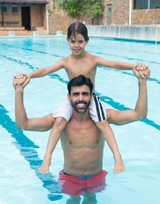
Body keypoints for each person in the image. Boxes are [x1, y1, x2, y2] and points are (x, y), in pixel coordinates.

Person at [13, 68, 149, 204]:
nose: (80, 98)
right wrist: (19, 91)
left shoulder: (104, 117)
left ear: (92, 96)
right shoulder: (59, 120)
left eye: (85, 94)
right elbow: (22, 124)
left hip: (96, 174)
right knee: (73, 202)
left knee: (91, 199)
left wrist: (142, 82)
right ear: (69, 97)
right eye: (76, 94)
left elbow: (140, 114)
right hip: (71, 177)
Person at [14, 22, 148, 175]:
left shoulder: (93, 59)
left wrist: (133, 67)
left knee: (102, 122)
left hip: (91, 99)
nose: (76, 45)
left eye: (80, 41)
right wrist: (29, 76)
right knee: (59, 121)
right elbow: (46, 70)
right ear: (67, 41)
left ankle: (117, 156)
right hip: (72, 98)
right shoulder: (65, 61)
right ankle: (47, 157)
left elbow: (115, 64)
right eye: (72, 41)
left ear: (87, 41)